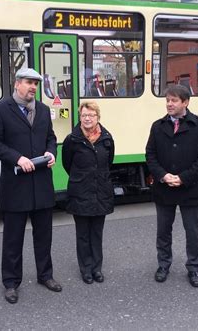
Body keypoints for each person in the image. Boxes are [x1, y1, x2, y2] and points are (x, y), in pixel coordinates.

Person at [0, 68, 61, 304]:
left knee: (44, 236)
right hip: (15, 185)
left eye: (36, 84)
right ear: (17, 83)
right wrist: (17, 158)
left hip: (41, 185)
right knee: (13, 238)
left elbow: (51, 137)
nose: (33, 88)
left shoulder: (44, 110)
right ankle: (10, 282)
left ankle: (45, 275)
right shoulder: (0, 109)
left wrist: (51, 151)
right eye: (29, 83)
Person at [145, 84, 198, 288]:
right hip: (164, 188)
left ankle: (194, 268)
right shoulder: (158, 126)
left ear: (186, 102)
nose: (169, 104)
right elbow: (150, 154)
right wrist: (163, 175)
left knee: (192, 231)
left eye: (174, 100)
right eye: (167, 100)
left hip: (191, 189)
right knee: (163, 231)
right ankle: (163, 264)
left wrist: (182, 178)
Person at [62, 101, 115, 284]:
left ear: (97, 117)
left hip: (101, 192)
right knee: (83, 234)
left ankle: (97, 269)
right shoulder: (72, 140)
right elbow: (67, 164)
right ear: (80, 117)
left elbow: (109, 163)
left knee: (97, 233)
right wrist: (82, 179)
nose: (87, 118)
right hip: (80, 193)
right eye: (84, 115)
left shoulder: (107, 139)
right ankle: (86, 269)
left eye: (91, 115)